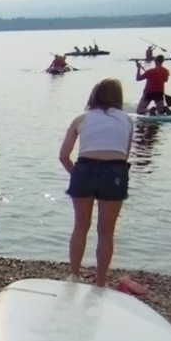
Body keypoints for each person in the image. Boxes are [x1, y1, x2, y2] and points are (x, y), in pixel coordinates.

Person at [59, 78, 134, 287]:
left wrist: (76, 174)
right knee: (106, 231)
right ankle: (100, 281)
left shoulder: (81, 119)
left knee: (81, 226)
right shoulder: (127, 121)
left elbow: (64, 156)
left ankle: (74, 274)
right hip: (115, 171)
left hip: (85, 168)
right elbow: (124, 155)